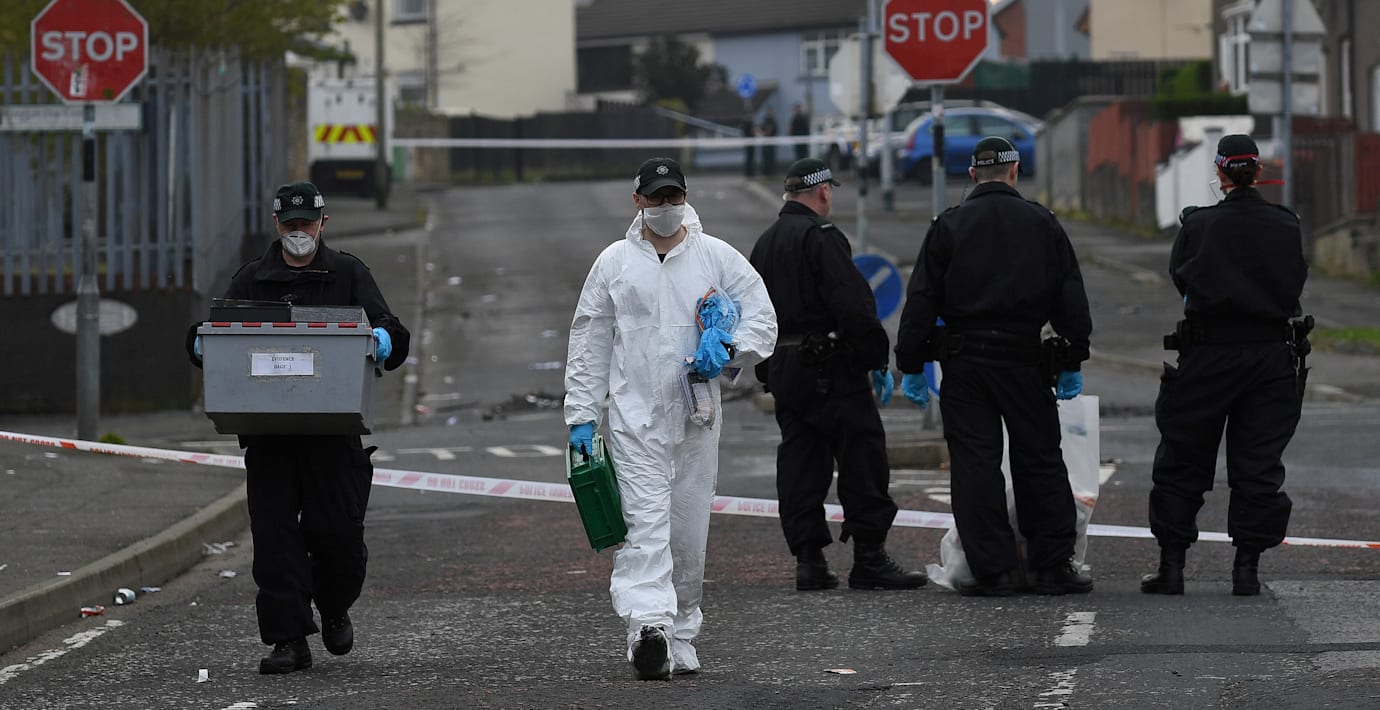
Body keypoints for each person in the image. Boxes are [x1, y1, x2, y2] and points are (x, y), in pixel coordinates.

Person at [564, 157, 777, 680]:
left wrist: (730, 349)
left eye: (673, 196)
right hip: (634, 418)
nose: (665, 206)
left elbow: (762, 317)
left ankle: (681, 633)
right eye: (656, 197)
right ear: (637, 201)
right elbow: (590, 340)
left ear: (685, 197)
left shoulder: (715, 257)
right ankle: (649, 629)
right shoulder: (614, 263)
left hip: (696, 419)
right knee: (644, 526)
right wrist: (582, 414)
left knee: (687, 530)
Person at [186, 181, 410, 674]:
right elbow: (214, 330)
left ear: (323, 222)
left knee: (339, 536)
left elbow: (393, 329)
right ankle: (289, 640)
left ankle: (333, 605)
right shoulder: (252, 279)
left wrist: (384, 339)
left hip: (333, 436)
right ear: (276, 224)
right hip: (270, 436)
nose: (298, 232)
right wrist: (199, 344)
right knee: (275, 541)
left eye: (306, 223)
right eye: (289, 224)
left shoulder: (348, 274)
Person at [894, 137, 1093, 597]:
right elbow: (1070, 295)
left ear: (971, 176)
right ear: (1015, 171)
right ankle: (1051, 567)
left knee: (975, 464)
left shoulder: (948, 225)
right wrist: (1073, 356)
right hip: (1024, 360)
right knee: (1039, 459)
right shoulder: (1043, 223)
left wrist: (910, 363)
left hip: (965, 364)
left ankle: (993, 570)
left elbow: (921, 299)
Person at [1140, 134, 1309, 597]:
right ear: (1258, 171)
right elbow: (1295, 279)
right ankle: (1246, 571)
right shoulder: (1286, 224)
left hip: (1208, 353)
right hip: (1269, 356)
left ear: (1219, 172)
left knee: (1182, 458)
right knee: (1258, 463)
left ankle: (1172, 568)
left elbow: (1181, 278)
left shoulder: (1199, 225)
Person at [749, 157, 928, 593]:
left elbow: (752, 312)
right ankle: (869, 558)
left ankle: (809, 561)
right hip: (831, 366)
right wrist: (875, 358)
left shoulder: (765, 243)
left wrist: (767, 370)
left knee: (800, 462)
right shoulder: (822, 236)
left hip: (785, 366)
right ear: (823, 191)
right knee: (862, 456)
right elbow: (852, 303)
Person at [760, 108, 780, 178]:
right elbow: (761, 130)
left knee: (771, 158)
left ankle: (771, 172)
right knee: (765, 158)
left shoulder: (773, 122)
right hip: (765, 143)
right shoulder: (764, 121)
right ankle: (766, 172)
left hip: (771, 143)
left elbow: (774, 131)